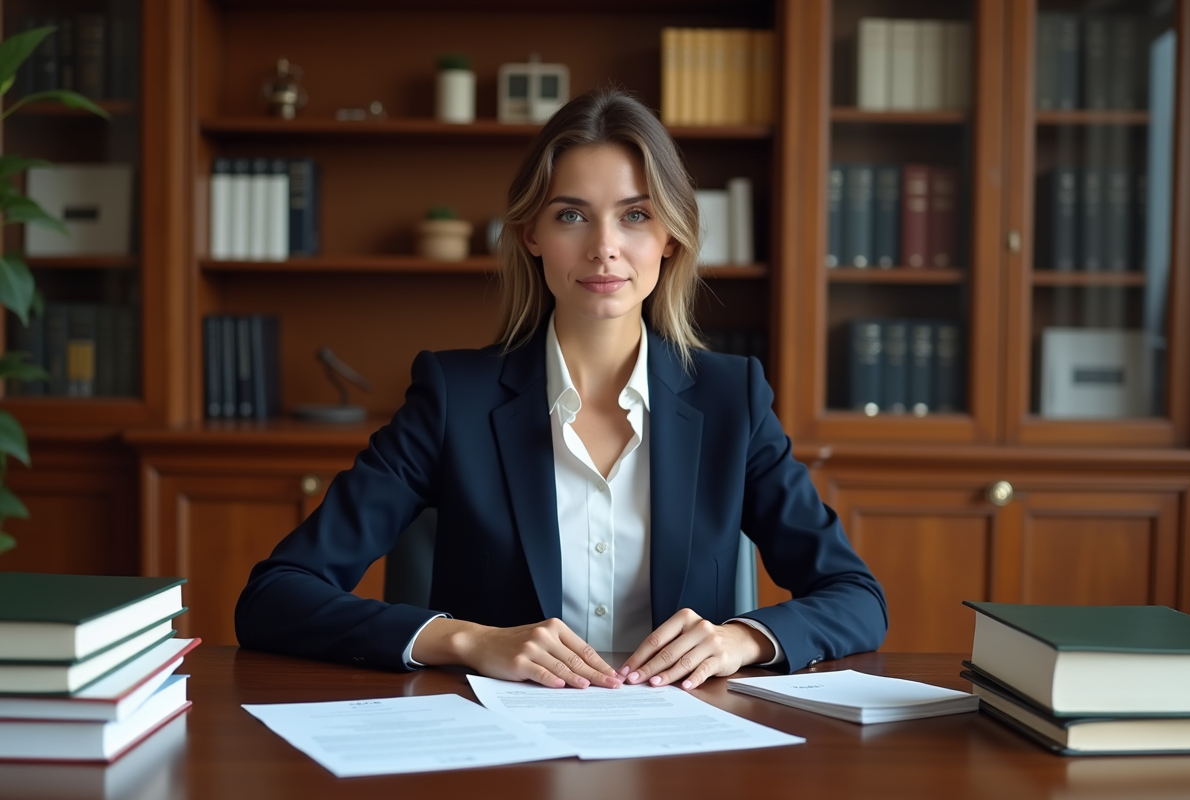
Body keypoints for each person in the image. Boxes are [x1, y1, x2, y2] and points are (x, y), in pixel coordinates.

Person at [235, 87, 887, 691]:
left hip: (687, 746)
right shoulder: (453, 397)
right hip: (498, 747)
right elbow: (275, 595)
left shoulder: (730, 399)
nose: (604, 248)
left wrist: (742, 640)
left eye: (635, 215)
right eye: (572, 215)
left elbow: (855, 597)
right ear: (532, 235)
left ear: (670, 238)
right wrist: (464, 639)